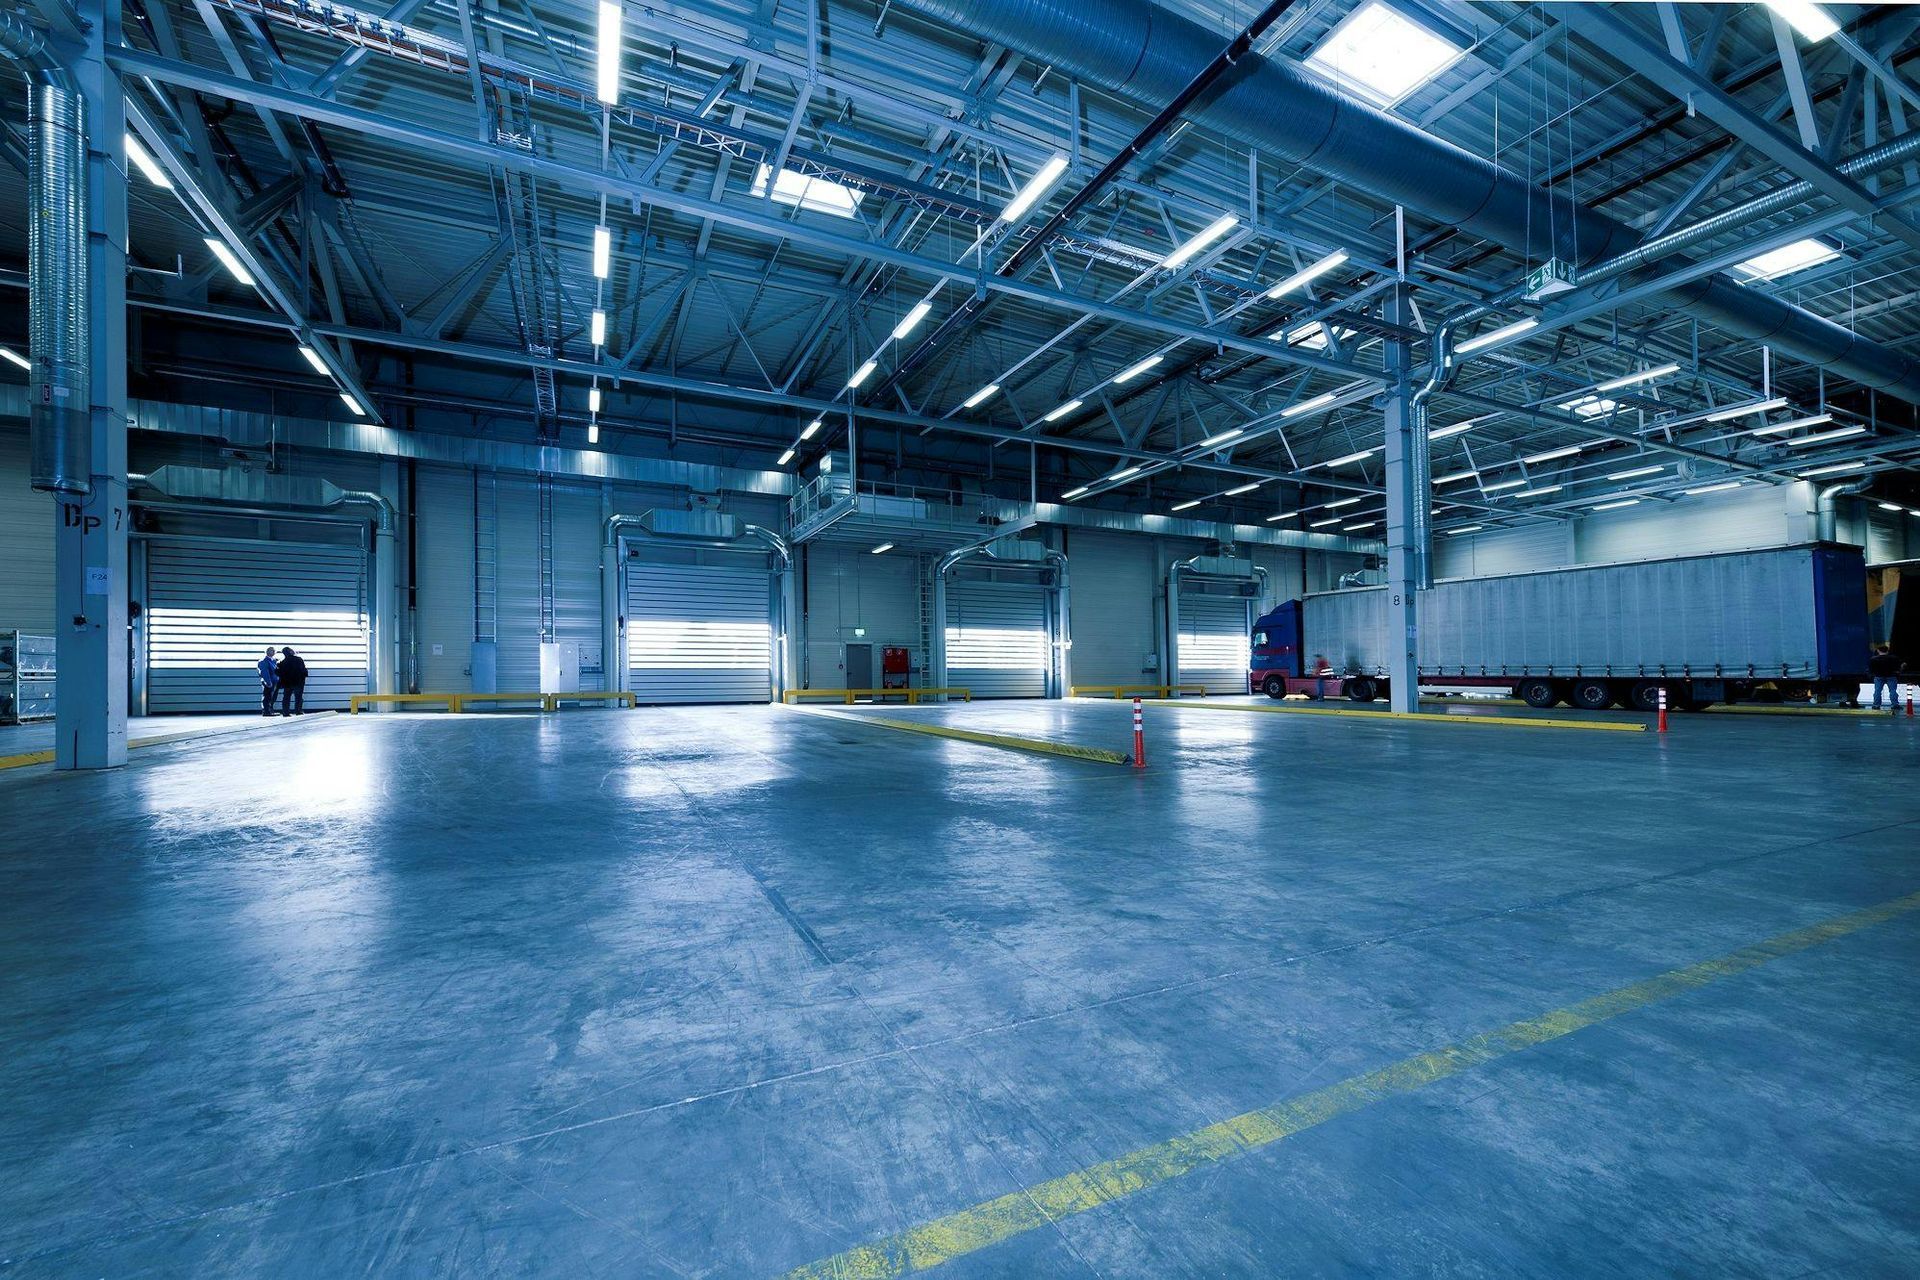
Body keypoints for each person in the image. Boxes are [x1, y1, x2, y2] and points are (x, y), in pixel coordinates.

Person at [1869, 643, 1904, 712]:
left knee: (1877, 691)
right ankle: (1895, 705)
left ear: (1878, 651)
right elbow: (1898, 667)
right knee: (1893, 691)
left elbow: (1871, 669)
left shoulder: (1873, 659)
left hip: (1878, 677)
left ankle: (1876, 705)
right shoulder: (1894, 658)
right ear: (1887, 651)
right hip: (1891, 676)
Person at [276, 646, 309, 716]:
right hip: (298, 682)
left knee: (286, 697)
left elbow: (279, 672)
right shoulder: (299, 659)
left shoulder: (282, 662)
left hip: (287, 683)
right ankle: (298, 711)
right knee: (298, 697)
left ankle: (285, 712)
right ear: (291, 652)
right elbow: (303, 670)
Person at [256, 647, 279, 717]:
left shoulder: (273, 660)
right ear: (268, 651)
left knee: (272, 697)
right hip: (269, 681)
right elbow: (264, 672)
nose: (274, 652)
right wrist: (268, 682)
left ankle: (270, 710)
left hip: (274, 681)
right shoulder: (263, 661)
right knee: (267, 697)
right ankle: (266, 711)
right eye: (273, 651)